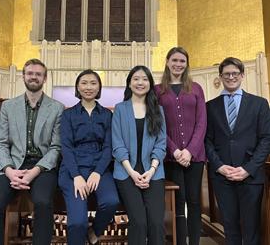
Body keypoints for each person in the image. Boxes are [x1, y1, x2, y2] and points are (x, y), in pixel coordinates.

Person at [0, 58, 64, 245]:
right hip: (12, 164)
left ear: (45, 78)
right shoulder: (8, 107)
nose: (34, 77)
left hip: (42, 167)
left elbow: (56, 147)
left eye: (38, 74)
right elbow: (1, 143)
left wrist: (34, 172)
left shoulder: (57, 108)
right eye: (30, 73)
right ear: (23, 76)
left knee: (43, 203)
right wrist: (10, 171)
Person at [205, 57, 270, 245]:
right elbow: (207, 141)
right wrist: (219, 166)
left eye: (235, 73)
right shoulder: (210, 106)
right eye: (227, 74)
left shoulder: (259, 104)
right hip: (222, 177)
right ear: (220, 77)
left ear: (242, 75)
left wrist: (248, 169)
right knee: (230, 228)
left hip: (251, 177)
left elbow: (266, 138)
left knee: (251, 230)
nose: (231, 77)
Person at [58, 69, 119, 245]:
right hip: (73, 169)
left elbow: (108, 147)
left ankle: (94, 231)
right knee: (77, 222)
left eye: (93, 83)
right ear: (77, 87)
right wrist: (76, 176)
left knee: (111, 201)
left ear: (99, 87)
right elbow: (66, 148)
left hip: (99, 167)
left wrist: (98, 172)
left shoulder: (107, 114)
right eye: (84, 83)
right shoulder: (68, 114)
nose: (88, 87)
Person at [155, 47, 207, 245]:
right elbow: (158, 125)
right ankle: (179, 242)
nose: (178, 64)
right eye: (174, 60)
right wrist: (175, 150)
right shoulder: (158, 90)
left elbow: (202, 122)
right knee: (178, 202)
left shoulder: (196, 88)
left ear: (187, 64)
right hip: (171, 156)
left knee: (194, 202)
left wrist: (190, 151)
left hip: (195, 156)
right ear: (167, 62)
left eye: (182, 61)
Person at [112, 65, 166, 245]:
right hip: (126, 173)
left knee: (157, 223)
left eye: (144, 79)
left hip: (154, 174)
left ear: (150, 83)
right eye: (135, 79)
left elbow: (161, 144)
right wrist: (132, 172)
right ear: (129, 83)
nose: (140, 82)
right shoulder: (120, 109)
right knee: (139, 222)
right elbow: (117, 144)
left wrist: (151, 171)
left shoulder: (158, 110)